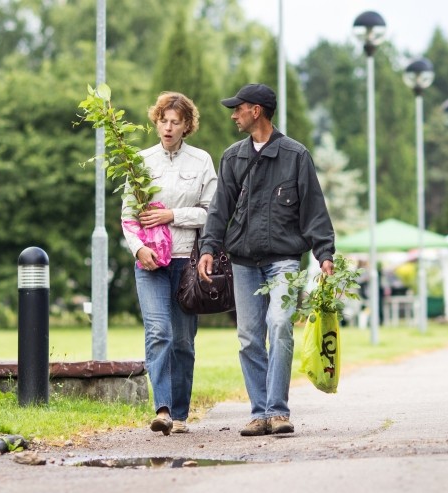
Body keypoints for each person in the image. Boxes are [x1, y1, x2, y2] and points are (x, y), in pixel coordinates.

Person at [198, 83, 335, 437]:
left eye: (238, 108)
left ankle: (278, 410)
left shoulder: (295, 155)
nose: (233, 114)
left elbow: (314, 209)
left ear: (256, 110)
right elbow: (219, 210)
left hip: (284, 261)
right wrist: (208, 248)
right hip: (243, 262)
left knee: (279, 324)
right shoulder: (233, 157)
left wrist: (325, 254)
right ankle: (259, 413)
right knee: (248, 337)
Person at [122, 92, 218, 435]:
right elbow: (128, 216)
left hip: (186, 264)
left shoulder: (202, 161)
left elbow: (211, 213)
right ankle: (161, 409)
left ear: (187, 125)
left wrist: (172, 214)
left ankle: (179, 414)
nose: (168, 126)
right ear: (156, 121)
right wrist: (137, 250)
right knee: (158, 332)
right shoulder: (139, 161)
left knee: (182, 341)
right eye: (163, 120)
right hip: (150, 264)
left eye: (175, 121)